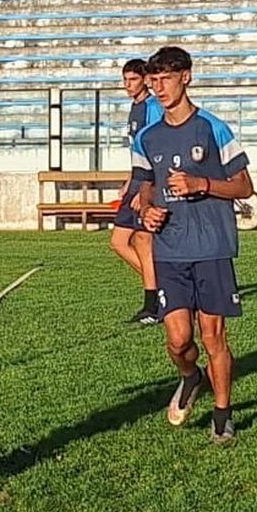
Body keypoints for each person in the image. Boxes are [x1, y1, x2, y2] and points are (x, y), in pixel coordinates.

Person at [131, 47, 252, 443]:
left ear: (186, 76)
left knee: (213, 336)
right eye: (153, 80)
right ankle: (189, 376)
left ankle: (222, 414)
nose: (158, 87)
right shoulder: (148, 137)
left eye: (165, 78)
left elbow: (244, 186)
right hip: (170, 249)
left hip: (213, 246)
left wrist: (203, 184)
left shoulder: (213, 128)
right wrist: (146, 209)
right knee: (179, 339)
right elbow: (143, 187)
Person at [111, 58, 166, 324]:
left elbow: (156, 149)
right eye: (125, 80)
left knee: (143, 241)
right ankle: (160, 290)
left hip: (148, 182)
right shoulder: (135, 108)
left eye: (132, 79)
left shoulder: (152, 107)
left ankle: (152, 304)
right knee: (119, 242)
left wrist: (144, 190)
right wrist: (129, 180)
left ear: (145, 80)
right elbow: (138, 149)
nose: (127, 85)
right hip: (137, 178)